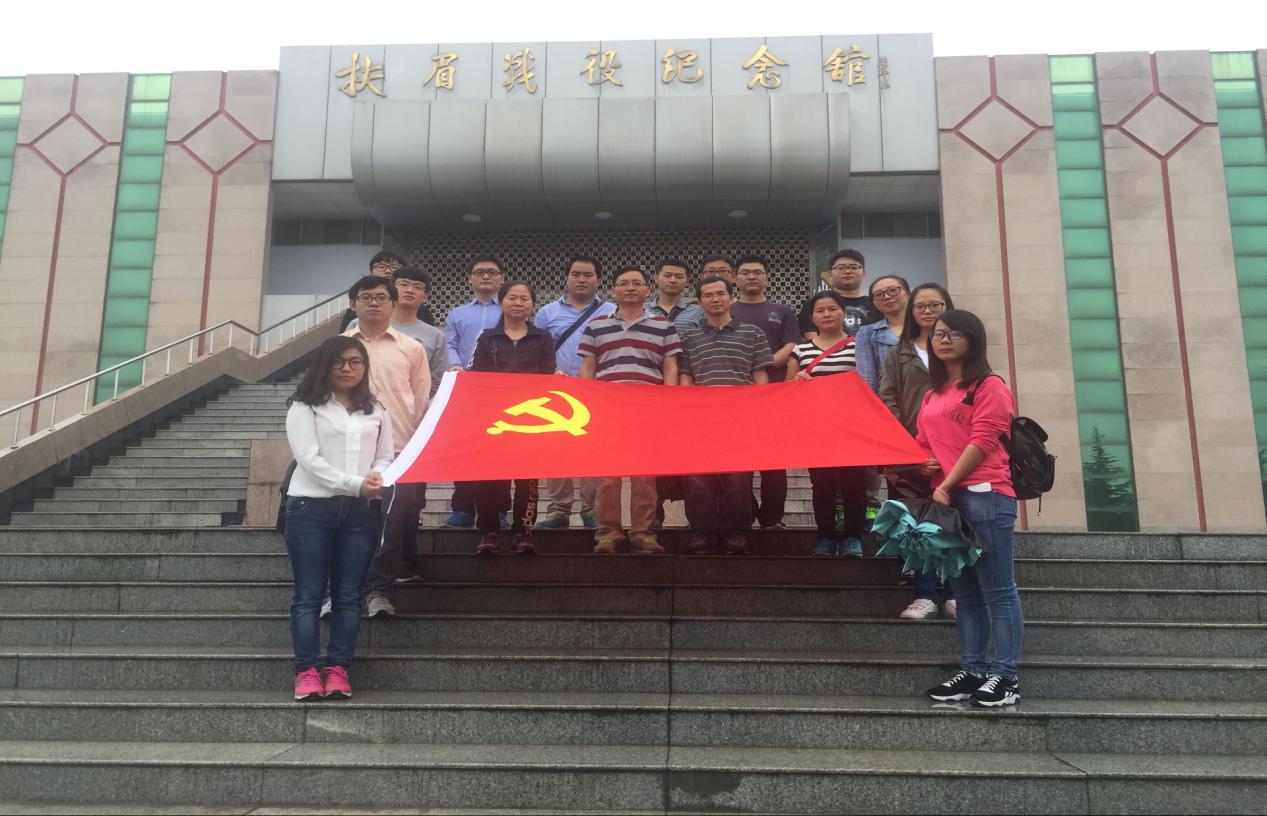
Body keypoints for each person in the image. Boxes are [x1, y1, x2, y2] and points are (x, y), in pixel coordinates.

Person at [921, 310, 1023, 708]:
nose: (943, 340)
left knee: (998, 590)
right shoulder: (933, 392)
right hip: (948, 501)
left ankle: (1006, 677)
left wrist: (945, 483)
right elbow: (923, 440)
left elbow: (983, 440)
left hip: (985, 494)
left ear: (974, 339)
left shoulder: (989, 385)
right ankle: (973, 671)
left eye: (953, 333)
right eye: (938, 334)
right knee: (964, 592)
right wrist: (923, 461)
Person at [284, 335, 393, 701]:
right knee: (309, 595)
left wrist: (377, 476)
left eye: (355, 362)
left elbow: (385, 455)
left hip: (361, 513)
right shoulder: (305, 406)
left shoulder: (375, 408)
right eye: (339, 361)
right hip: (311, 509)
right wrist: (355, 484)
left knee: (348, 595)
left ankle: (338, 669)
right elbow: (309, 460)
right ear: (325, 365)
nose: (348, 368)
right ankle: (307, 670)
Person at [344, 266, 445, 583]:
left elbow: (422, 394)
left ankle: (381, 584)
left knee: (398, 514)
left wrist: (416, 438)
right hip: (350, 444)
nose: (374, 303)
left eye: (381, 298)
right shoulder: (341, 345)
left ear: (392, 303)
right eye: (366, 298)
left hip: (400, 441)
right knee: (350, 515)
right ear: (353, 304)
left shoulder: (414, 346)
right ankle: (347, 584)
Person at [579, 267, 681, 554]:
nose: (631, 287)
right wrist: (586, 404)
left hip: (647, 410)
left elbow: (670, 367)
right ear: (613, 291)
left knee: (644, 477)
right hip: (607, 411)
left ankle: (643, 533)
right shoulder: (596, 326)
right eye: (624, 283)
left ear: (648, 290)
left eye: (637, 283)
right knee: (607, 477)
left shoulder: (663, 326)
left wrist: (669, 404)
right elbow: (588, 367)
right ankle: (607, 534)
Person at [679, 276, 774, 554]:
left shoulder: (753, 333)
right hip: (700, 420)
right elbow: (686, 377)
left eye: (720, 293)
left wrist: (760, 412)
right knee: (698, 478)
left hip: (740, 419)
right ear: (700, 302)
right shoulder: (690, 336)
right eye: (708, 295)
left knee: (738, 478)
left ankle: (737, 532)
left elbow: (759, 375)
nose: (715, 299)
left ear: (731, 297)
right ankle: (701, 531)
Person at [880, 283, 958, 620]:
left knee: (952, 521)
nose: (927, 311)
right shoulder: (899, 352)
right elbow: (888, 398)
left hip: (954, 451)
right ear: (912, 312)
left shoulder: (959, 348)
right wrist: (908, 448)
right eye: (920, 306)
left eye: (934, 305)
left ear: (947, 307)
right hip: (911, 452)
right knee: (915, 523)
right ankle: (925, 593)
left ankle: (954, 592)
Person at [469, 281, 558, 555]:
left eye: (524, 299)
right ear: (501, 302)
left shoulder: (542, 338)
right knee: (489, 477)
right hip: (495, 419)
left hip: (531, 419)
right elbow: (476, 375)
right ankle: (489, 532)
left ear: (532, 305)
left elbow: (548, 374)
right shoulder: (487, 338)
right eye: (512, 298)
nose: (518, 303)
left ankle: (523, 531)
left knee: (527, 479)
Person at [534, 257, 616, 530]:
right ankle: (558, 509)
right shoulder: (547, 313)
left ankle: (592, 509)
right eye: (576, 274)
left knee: (594, 452)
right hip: (558, 392)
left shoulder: (612, 311)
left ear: (599, 280)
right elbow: (538, 349)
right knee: (557, 451)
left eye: (588, 275)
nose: (582, 279)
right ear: (566, 277)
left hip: (599, 391)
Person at [788, 291, 868, 558]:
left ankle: (853, 537)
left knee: (854, 483)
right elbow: (787, 391)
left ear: (844, 312)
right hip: (817, 427)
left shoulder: (860, 346)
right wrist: (798, 381)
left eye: (832, 309)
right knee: (821, 484)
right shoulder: (800, 350)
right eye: (820, 310)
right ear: (812, 317)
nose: (826, 314)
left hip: (852, 427)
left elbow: (870, 383)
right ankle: (825, 537)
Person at [730, 254, 800, 529]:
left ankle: (772, 518)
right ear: (735, 278)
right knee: (739, 461)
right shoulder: (727, 309)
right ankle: (746, 513)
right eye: (745, 272)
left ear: (767, 278)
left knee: (774, 462)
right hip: (735, 397)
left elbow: (791, 345)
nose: (751, 277)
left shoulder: (782, 311)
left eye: (757, 272)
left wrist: (762, 363)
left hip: (773, 395)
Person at [442, 255, 506, 529]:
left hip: (502, 391)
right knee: (465, 447)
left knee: (500, 451)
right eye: (480, 272)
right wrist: (456, 366)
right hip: (466, 388)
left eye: (492, 272)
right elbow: (449, 344)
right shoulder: (457, 314)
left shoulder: (509, 309)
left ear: (501, 278)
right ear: (470, 279)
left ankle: (499, 510)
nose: (486, 276)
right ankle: (463, 508)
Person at [646, 258, 704, 526]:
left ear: (687, 281)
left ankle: (697, 520)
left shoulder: (698, 312)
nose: (672, 280)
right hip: (649, 391)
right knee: (652, 456)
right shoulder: (642, 309)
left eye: (678, 276)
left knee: (690, 455)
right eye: (667, 275)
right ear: (656, 278)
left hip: (688, 390)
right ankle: (652, 517)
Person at [798, 249, 881, 338]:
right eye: (841, 268)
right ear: (830, 274)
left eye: (854, 267)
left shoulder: (878, 303)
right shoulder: (814, 304)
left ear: (863, 273)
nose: (847, 271)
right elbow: (812, 341)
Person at [854, 276, 910, 392]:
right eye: (879, 294)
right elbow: (867, 380)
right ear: (874, 302)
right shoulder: (867, 333)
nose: (887, 296)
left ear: (907, 293)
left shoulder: (927, 327)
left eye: (893, 290)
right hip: (888, 400)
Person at [339, 251, 405, 331]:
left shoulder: (411, 304)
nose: (388, 271)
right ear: (371, 272)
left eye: (394, 267)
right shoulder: (360, 306)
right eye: (381, 267)